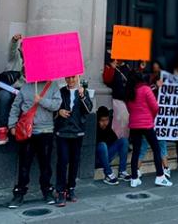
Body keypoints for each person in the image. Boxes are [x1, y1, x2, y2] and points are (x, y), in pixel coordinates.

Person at [7, 79, 62, 209]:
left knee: (45, 165)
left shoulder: (53, 85)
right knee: (24, 165)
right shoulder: (26, 87)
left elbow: (57, 105)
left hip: (46, 130)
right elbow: (16, 106)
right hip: (27, 131)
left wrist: (41, 100)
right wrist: (11, 125)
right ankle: (19, 193)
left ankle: (47, 191)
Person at [126, 70, 172, 187]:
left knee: (136, 151)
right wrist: (151, 117)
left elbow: (129, 109)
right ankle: (160, 176)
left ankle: (134, 179)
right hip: (146, 124)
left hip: (134, 125)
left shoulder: (129, 91)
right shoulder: (146, 89)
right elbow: (155, 107)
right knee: (156, 149)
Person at [54, 75, 93, 207]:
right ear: (65, 79)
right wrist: (59, 112)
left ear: (77, 78)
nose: (71, 80)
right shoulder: (61, 92)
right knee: (63, 161)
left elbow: (88, 109)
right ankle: (60, 190)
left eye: (73, 78)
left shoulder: (83, 92)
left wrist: (82, 96)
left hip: (77, 132)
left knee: (75, 161)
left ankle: (71, 188)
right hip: (63, 132)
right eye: (68, 78)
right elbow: (54, 108)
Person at [138, 61, 170, 177]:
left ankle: (166, 168)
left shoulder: (167, 79)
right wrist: (156, 86)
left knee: (162, 142)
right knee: (145, 144)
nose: (156, 69)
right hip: (150, 116)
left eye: (158, 67)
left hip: (161, 117)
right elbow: (144, 90)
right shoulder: (148, 78)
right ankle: (137, 169)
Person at [0, 33, 26, 146]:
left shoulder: (33, 60)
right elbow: (12, 49)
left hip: (24, 89)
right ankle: (2, 130)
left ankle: (23, 128)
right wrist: (14, 40)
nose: (25, 49)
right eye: (23, 47)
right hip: (10, 87)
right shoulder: (16, 56)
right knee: (4, 96)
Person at [96, 106, 131, 185]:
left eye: (107, 120)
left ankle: (122, 171)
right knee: (102, 145)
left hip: (107, 156)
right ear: (98, 120)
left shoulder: (108, 128)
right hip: (97, 159)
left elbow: (115, 140)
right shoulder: (94, 128)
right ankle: (108, 174)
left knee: (123, 141)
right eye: (102, 120)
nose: (105, 123)